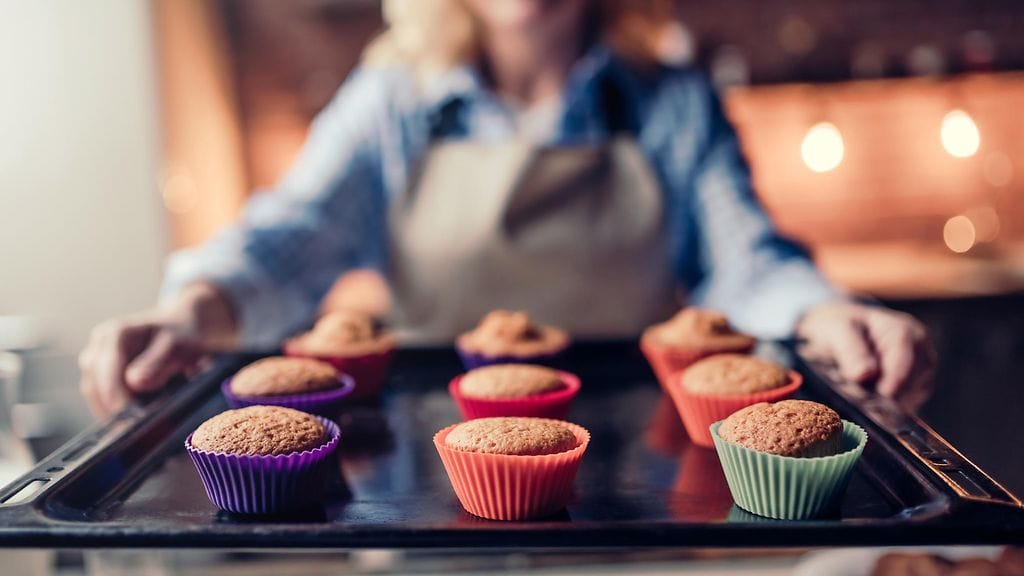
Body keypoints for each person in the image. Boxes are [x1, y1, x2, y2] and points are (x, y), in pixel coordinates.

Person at [79, 0, 934, 417]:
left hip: (641, 475)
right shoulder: (393, 99)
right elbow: (293, 236)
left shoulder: (670, 97)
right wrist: (193, 308)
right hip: (432, 477)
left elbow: (742, 258)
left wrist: (826, 312)